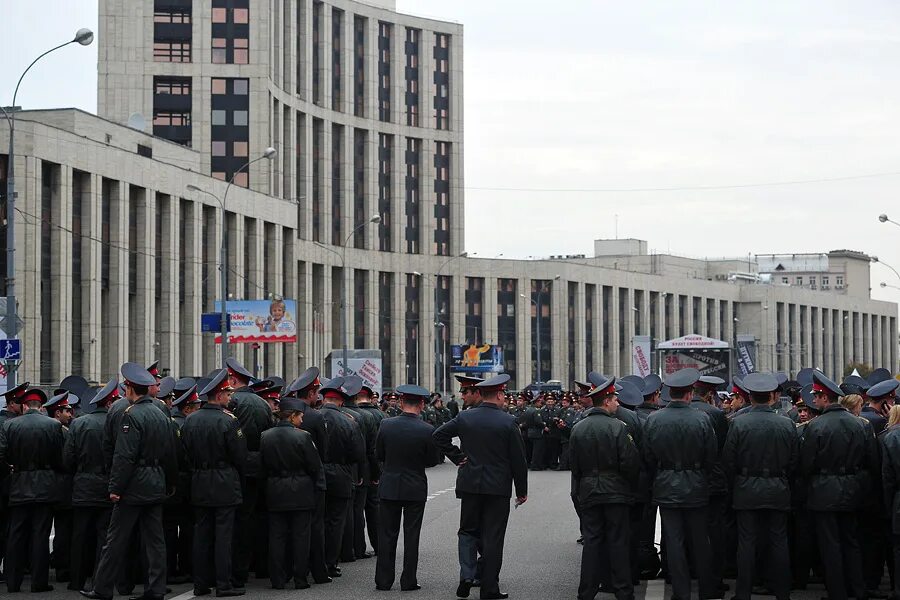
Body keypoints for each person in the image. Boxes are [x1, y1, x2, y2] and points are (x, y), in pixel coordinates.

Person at [81, 362, 179, 600]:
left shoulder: (130, 415)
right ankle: (156, 589)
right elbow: (171, 453)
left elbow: (124, 456)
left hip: (134, 486)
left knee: (115, 539)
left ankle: (103, 588)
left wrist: (115, 487)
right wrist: (169, 482)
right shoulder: (161, 413)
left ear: (130, 389)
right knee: (155, 541)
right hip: (156, 482)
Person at [434, 374, 528, 600]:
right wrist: (522, 491)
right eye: (504, 394)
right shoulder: (508, 421)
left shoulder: (465, 418)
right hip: (497, 488)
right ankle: (489, 588)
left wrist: (458, 457)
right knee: (492, 537)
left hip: (470, 484)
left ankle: (467, 575)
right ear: (498, 394)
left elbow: (438, 435)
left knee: (467, 531)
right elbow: (518, 460)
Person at [641, 368, 718, 600]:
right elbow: (711, 456)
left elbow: (647, 456)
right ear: (689, 394)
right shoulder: (702, 419)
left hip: (666, 484)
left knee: (673, 542)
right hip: (695, 484)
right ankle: (707, 590)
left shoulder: (654, 420)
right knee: (700, 541)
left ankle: (681, 591)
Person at [721, 372, 798, 600]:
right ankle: (782, 592)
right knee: (779, 541)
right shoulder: (787, 424)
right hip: (778, 487)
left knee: (746, 542)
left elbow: (728, 461)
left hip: (746, 487)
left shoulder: (738, 423)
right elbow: (794, 460)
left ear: (750, 397)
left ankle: (743, 593)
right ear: (773, 397)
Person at [801, 370, 876, 600]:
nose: (813, 400)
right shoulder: (860, 425)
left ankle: (837, 592)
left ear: (825, 398)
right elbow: (871, 462)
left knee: (830, 545)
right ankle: (858, 589)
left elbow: (806, 464)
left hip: (824, 491)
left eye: (816, 396)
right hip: (852, 489)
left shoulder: (815, 426)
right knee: (851, 541)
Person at [570, 376, 640, 600]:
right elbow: (630, 463)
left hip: (589, 489)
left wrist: (580, 488)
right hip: (616, 491)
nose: (618, 404)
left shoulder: (579, 428)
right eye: (615, 400)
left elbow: (574, 465)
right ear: (607, 401)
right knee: (618, 541)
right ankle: (623, 591)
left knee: (592, 542)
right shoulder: (618, 427)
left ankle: (587, 592)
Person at [181, 369, 248, 598]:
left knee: (201, 535)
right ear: (219, 396)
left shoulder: (190, 421)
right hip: (224, 482)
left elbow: (185, 454)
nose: (230, 398)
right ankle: (223, 584)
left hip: (199, 481)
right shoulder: (229, 421)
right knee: (224, 537)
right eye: (227, 394)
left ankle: (201, 584)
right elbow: (240, 457)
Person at [374, 384, 442, 591]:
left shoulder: (386, 425)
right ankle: (408, 581)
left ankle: (384, 581)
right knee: (412, 535)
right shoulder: (427, 429)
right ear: (422, 404)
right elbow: (433, 460)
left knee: (386, 534)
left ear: (402, 402)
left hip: (390, 486)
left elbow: (379, 455)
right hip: (415, 487)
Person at [0, 387, 63, 593]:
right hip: (45, 485)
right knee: (40, 534)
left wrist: (11, 467)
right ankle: (38, 582)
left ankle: (13, 582)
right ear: (41, 407)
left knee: (16, 535)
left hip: (18, 484)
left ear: (25, 406)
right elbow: (59, 457)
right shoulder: (53, 425)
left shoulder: (9, 425)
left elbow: (2, 455)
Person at [259, 396, 324, 590]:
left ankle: (277, 579)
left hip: (275, 490)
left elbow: (262, 466)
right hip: (300, 491)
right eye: (300, 416)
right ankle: (300, 578)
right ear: (293, 416)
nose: (302, 421)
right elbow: (314, 466)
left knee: (277, 538)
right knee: (301, 537)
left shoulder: (265, 436)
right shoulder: (303, 436)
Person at [64, 380, 117, 593]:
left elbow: (68, 457)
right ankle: (99, 580)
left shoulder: (78, 423)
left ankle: (76, 580)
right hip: (107, 484)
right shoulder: (117, 422)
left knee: (80, 536)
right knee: (104, 537)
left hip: (83, 484)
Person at [224, 358, 273, 588]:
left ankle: (238, 572)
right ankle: (261, 565)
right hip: (260, 465)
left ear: (233, 380)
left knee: (238, 521)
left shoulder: (232, 402)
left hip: (238, 467)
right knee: (259, 518)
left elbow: (230, 437)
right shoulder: (263, 403)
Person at [283, 367, 331, 584]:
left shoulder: (285, 413)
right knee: (315, 527)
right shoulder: (316, 417)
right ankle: (317, 570)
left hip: (283, 481)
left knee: (286, 528)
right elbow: (324, 451)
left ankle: (286, 571)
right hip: (311, 479)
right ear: (311, 393)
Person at [318, 377, 366, 578]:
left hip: (317, 473)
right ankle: (330, 563)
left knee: (316, 520)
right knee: (336, 521)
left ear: (324, 399)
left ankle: (315, 563)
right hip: (340, 474)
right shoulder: (349, 421)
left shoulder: (311, 417)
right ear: (340, 401)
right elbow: (358, 454)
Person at [691, 375, 729, 594]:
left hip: (689, 481)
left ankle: (689, 572)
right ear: (710, 394)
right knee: (715, 533)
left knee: (690, 531)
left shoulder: (677, 412)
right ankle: (713, 578)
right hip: (713, 480)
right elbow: (723, 449)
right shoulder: (715, 414)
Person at [45, 390, 75, 584]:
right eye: (67, 410)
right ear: (57, 412)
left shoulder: (48, 429)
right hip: (64, 486)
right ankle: (63, 568)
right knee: (65, 529)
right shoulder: (61, 432)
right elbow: (66, 461)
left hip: (50, 485)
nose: (70, 414)